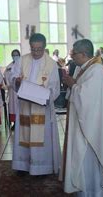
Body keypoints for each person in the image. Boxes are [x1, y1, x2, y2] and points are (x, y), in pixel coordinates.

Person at [62, 39, 103, 196]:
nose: (72, 57)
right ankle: (83, 192)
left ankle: (95, 193)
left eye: (73, 54)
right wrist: (73, 86)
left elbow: (87, 99)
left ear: (83, 54)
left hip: (93, 127)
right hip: (81, 123)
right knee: (81, 162)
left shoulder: (97, 70)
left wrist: (72, 85)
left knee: (90, 162)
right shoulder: (81, 69)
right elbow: (77, 94)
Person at [11, 33, 61, 176]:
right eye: (33, 49)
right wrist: (17, 81)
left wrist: (44, 95)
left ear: (44, 47)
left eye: (39, 49)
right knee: (24, 135)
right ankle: (23, 165)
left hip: (41, 109)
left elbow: (55, 87)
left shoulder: (51, 64)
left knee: (41, 138)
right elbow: (12, 76)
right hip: (25, 108)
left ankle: (41, 168)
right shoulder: (22, 60)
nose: (36, 52)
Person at [4, 49, 21, 130]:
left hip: (21, 90)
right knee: (13, 107)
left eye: (16, 55)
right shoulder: (9, 66)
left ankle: (21, 123)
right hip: (12, 90)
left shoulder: (23, 64)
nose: (15, 56)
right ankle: (14, 123)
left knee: (20, 106)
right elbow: (6, 76)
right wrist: (9, 83)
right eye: (13, 55)